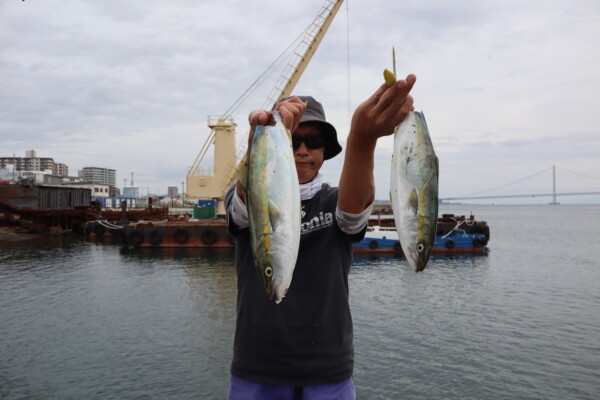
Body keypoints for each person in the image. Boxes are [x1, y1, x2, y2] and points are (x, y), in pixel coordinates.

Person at [225, 74, 416, 400]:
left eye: (313, 142)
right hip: (256, 369)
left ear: (326, 150)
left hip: (328, 372)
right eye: (294, 140)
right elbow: (242, 205)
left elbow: (353, 213)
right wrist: (260, 141)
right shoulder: (249, 200)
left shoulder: (334, 202)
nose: (302, 150)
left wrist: (362, 138)